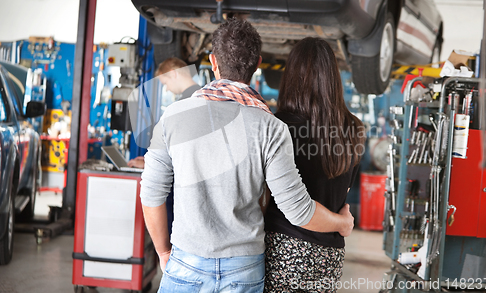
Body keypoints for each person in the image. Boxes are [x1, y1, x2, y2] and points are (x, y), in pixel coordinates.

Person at [140, 19, 354, 293]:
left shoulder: (173, 116)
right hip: (243, 269)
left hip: (187, 261)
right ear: (257, 64)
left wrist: (163, 252)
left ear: (213, 62)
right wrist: (342, 222)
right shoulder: (271, 127)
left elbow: (151, 194)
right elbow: (298, 210)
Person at [263, 37, 366, 292]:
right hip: (330, 256)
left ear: (291, 77)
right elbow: (345, 192)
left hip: (282, 249)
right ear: (333, 78)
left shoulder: (279, 128)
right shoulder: (354, 129)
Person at [127, 57, 201, 169]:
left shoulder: (185, 103)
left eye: (165, 83)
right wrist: (152, 159)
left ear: (173, 74)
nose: (166, 89)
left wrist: (151, 164)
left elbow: (181, 149)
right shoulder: (200, 95)